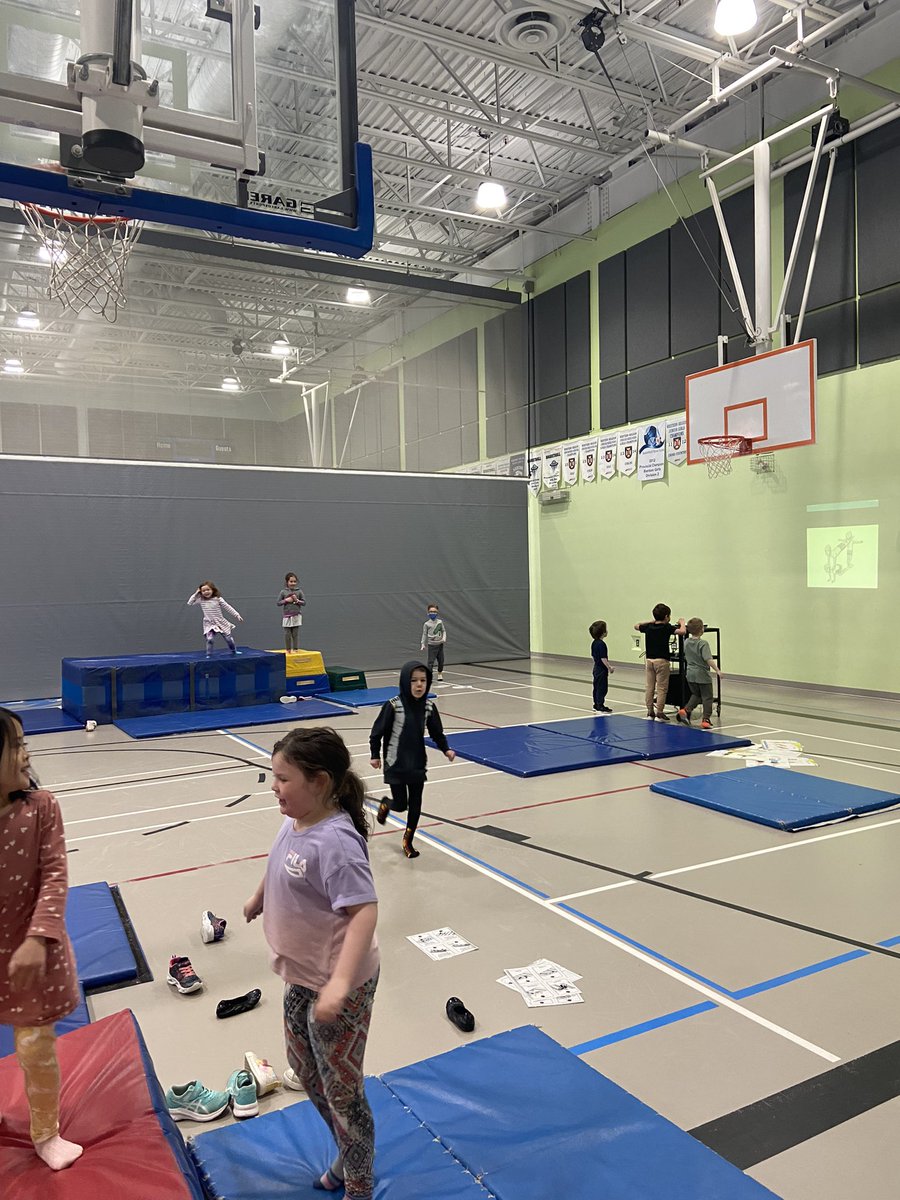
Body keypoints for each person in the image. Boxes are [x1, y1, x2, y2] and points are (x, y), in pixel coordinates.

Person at [243, 727, 379, 1200]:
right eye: (272, 777)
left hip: (338, 984)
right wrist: (261, 895)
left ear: (319, 782)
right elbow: (279, 859)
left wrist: (340, 983)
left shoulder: (337, 842)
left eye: (283, 779)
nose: (274, 787)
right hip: (302, 976)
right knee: (304, 1067)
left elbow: (364, 911)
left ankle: (359, 1181)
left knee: (342, 1088)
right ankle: (346, 1146)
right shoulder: (294, 819)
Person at [0, 708, 83, 1171]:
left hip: (32, 955)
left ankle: (45, 1132)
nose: (26, 751)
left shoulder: (41, 808)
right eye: (14, 745)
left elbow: (54, 877)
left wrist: (37, 938)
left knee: (35, 1049)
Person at [370, 661, 455, 859]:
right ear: (405, 682)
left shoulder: (428, 707)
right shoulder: (393, 706)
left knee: (415, 806)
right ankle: (386, 804)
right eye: (414, 680)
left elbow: (437, 733)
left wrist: (446, 749)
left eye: (423, 681)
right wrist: (374, 755)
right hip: (396, 763)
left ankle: (407, 841)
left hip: (417, 763)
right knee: (400, 804)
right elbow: (377, 733)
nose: (419, 685)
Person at [634, 604, 686, 721]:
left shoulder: (649, 627)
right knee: (662, 688)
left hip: (649, 660)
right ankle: (660, 712)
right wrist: (682, 622)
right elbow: (682, 631)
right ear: (666, 616)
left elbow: (636, 626)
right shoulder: (667, 627)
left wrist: (652, 621)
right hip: (662, 661)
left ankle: (649, 711)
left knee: (649, 687)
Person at [677, 618, 722, 730]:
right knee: (707, 697)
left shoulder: (686, 642)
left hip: (690, 673)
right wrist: (717, 670)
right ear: (702, 629)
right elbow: (708, 659)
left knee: (696, 694)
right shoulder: (703, 644)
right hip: (702, 674)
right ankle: (706, 719)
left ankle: (686, 710)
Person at [188, 581, 242, 656]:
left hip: (220, 622)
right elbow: (190, 602)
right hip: (209, 623)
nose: (206, 592)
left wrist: (236, 615)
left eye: (208, 590)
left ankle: (234, 651)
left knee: (228, 639)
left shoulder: (218, 599)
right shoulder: (201, 599)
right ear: (201, 592)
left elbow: (228, 607)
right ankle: (209, 654)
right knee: (210, 639)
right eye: (203, 591)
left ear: (213, 590)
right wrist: (196, 593)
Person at [588, 620, 614, 713]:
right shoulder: (602, 644)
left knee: (596, 686)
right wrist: (609, 667)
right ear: (603, 633)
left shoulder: (594, 643)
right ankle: (600, 705)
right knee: (602, 688)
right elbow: (603, 658)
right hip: (601, 669)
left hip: (596, 668)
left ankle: (596, 703)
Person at [277, 572, 306, 652]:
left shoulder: (299, 591)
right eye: (291, 581)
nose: (293, 583)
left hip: (296, 615)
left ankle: (295, 649)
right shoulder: (283, 592)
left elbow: (304, 603)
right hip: (287, 616)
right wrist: (286, 600)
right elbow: (278, 603)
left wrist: (297, 600)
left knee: (295, 634)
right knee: (287, 634)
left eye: (294, 581)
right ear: (287, 582)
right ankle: (288, 649)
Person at [420, 604, 447, 681]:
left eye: (434, 611)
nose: (433, 613)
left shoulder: (440, 622)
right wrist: (422, 643)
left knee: (441, 660)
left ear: (437, 612)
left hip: (440, 644)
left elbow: (443, 631)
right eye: (431, 611)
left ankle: (440, 673)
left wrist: (443, 638)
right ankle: (429, 675)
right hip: (432, 645)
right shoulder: (426, 624)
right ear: (428, 612)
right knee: (430, 661)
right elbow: (424, 634)